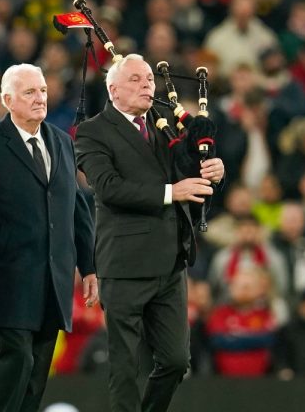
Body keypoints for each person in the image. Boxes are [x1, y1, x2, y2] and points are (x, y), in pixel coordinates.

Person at [75, 54, 225, 412]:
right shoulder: (93, 131)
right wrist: (173, 192)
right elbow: (108, 188)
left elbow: (193, 173)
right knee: (125, 365)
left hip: (171, 260)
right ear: (112, 89)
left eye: (149, 80)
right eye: (136, 80)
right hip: (125, 263)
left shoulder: (165, 124)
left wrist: (215, 172)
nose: (147, 86)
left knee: (176, 360)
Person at [0, 63, 97, 412]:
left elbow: (76, 209)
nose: (39, 98)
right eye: (30, 92)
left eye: (43, 90)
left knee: (36, 376)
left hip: (53, 281)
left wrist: (89, 266)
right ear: (7, 99)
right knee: (16, 361)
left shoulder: (62, 142)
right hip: (5, 279)